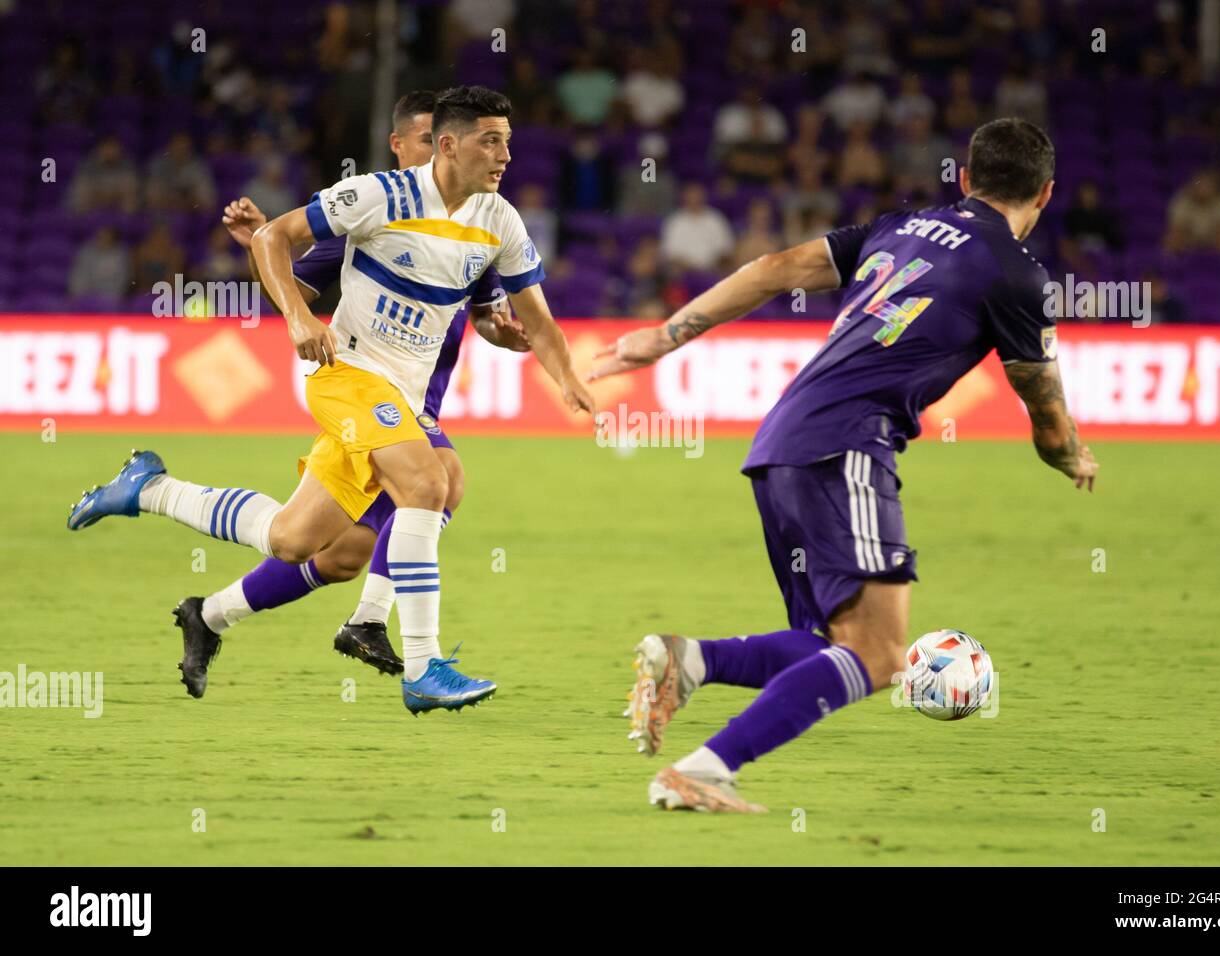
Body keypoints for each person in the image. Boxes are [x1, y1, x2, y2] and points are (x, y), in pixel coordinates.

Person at [588, 118, 1097, 812]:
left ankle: (692, 661)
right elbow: (1045, 418)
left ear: (968, 179)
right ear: (1046, 194)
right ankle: (705, 768)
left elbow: (773, 270)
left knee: (829, 646)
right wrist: (1073, 458)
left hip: (780, 446)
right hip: (847, 447)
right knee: (884, 655)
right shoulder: (1018, 274)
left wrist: (667, 334)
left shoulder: (901, 227)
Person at [67, 86, 597, 717]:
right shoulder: (379, 195)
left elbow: (533, 318)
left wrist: (561, 373)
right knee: (433, 480)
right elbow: (273, 239)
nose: (506, 153)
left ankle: (149, 491)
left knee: (297, 541)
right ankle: (422, 665)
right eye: (492, 139)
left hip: (400, 398)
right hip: (345, 375)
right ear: (446, 144)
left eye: (509, 140)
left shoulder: (498, 221)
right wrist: (297, 319)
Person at [194, 90, 529, 684]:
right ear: (402, 146)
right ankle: (396, 643)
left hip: (415, 400)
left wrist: (502, 330)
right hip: (370, 394)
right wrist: (260, 246)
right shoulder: (364, 221)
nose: (436, 154)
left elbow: (485, 309)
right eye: (425, 141)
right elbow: (290, 285)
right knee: (439, 481)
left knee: (326, 548)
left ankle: (211, 611)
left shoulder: (477, 223)